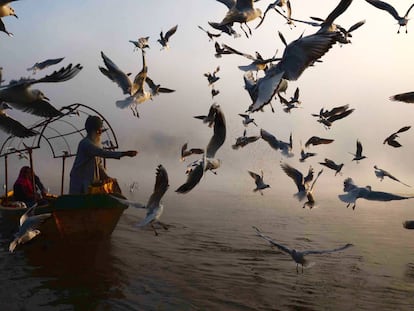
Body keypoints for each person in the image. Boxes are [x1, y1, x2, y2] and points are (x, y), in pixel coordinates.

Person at [69, 115, 138, 194]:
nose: (100, 133)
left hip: (89, 184)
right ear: (94, 131)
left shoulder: (94, 144)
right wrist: (124, 154)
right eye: (99, 130)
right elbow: (103, 153)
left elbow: (98, 165)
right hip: (80, 184)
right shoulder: (86, 144)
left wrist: (106, 177)